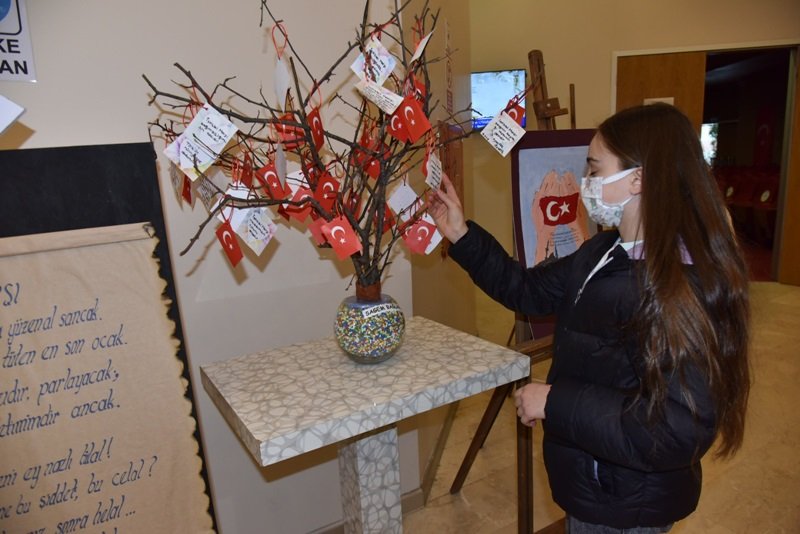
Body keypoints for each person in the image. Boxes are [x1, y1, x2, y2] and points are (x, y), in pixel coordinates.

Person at [427, 103, 750, 533]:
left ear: (638, 179)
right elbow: (527, 289)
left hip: (626, 501)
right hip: (595, 477)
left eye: (595, 169)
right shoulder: (605, 250)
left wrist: (555, 402)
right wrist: (461, 235)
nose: (586, 182)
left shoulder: (677, 285)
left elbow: (676, 426)